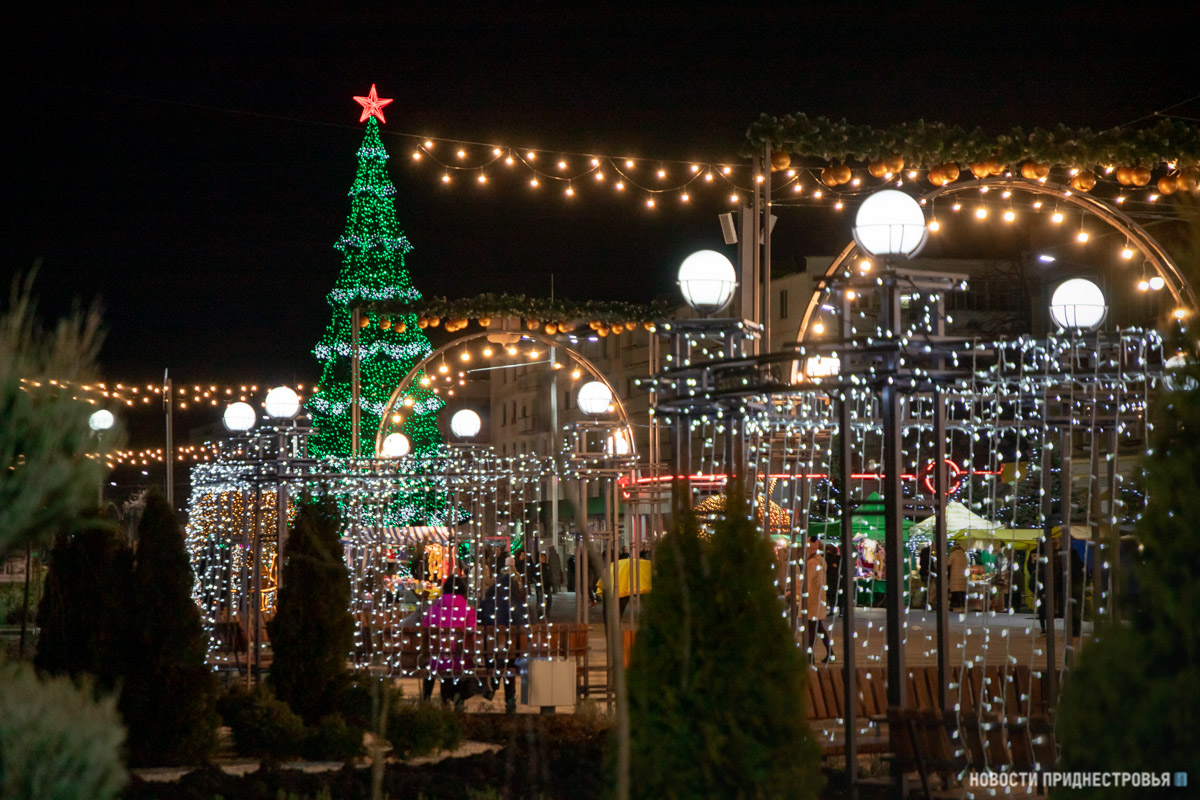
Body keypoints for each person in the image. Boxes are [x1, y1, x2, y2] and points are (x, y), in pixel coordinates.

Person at [420, 575, 477, 708]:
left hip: (434, 660)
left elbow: (424, 631)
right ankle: (454, 700)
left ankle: (427, 699)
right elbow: (472, 635)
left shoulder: (432, 609)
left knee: (439, 661)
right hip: (459, 660)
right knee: (457, 661)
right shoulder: (469, 611)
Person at [478, 559, 527, 713]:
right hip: (513, 655)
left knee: (497, 655)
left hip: (490, 655)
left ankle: (493, 682)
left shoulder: (487, 603)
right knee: (508, 659)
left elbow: (479, 623)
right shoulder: (517, 606)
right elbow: (525, 625)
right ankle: (510, 699)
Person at [803, 539, 834, 663]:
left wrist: (793, 589)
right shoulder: (821, 560)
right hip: (818, 597)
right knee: (818, 627)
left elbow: (806, 580)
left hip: (812, 598)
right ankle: (830, 653)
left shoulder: (812, 562)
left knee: (812, 628)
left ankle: (810, 656)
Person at [947, 542, 969, 612]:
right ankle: (962, 606)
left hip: (955, 576)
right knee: (962, 592)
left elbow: (948, 563)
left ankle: (956, 606)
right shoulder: (964, 555)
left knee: (955, 592)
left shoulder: (953, 554)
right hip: (963, 576)